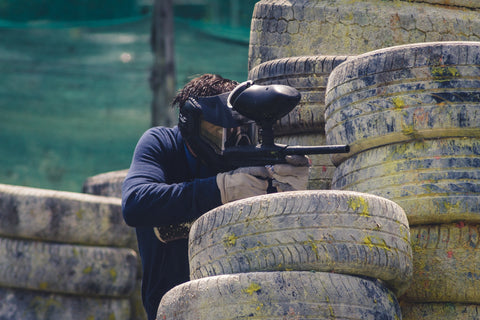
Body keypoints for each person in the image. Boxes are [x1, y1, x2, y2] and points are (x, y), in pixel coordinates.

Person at [121, 74, 309, 320]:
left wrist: (294, 197)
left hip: (240, 306)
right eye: (223, 131)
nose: (237, 139)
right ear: (191, 125)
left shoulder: (249, 160)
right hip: (172, 308)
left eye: (244, 130)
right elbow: (135, 203)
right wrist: (221, 189)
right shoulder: (161, 144)